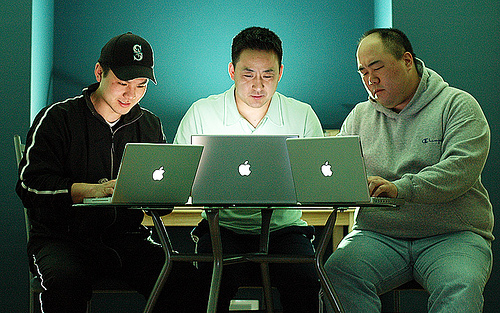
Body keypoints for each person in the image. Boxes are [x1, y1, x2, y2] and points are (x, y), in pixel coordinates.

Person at [16, 32, 200, 313]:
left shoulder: (149, 125)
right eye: (122, 83)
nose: (131, 95)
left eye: (141, 86)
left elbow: (161, 208)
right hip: (62, 240)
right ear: (99, 72)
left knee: (187, 282)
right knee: (66, 284)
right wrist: (84, 190)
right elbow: (29, 186)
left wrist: (164, 192)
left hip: (127, 238)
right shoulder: (57, 118)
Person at [324, 28, 493, 312]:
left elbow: (460, 170)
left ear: (406, 60)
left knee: (460, 285)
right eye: (363, 72)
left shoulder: (457, 105)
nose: (370, 79)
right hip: (377, 234)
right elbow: (338, 171)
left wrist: (401, 188)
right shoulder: (359, 117)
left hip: (453, 234)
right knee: (336, 273)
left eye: (377, 67)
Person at [174, 26, 323, 312]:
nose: (258, 85)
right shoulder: (202, 112)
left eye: (268, 75)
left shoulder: (301, 114)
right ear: (231, 71)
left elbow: (317, 181)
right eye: (248, 74)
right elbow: (180, 180)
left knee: (305, 281)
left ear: (280, 72)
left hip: (285, 230)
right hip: (223, 228)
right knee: (208, 284)